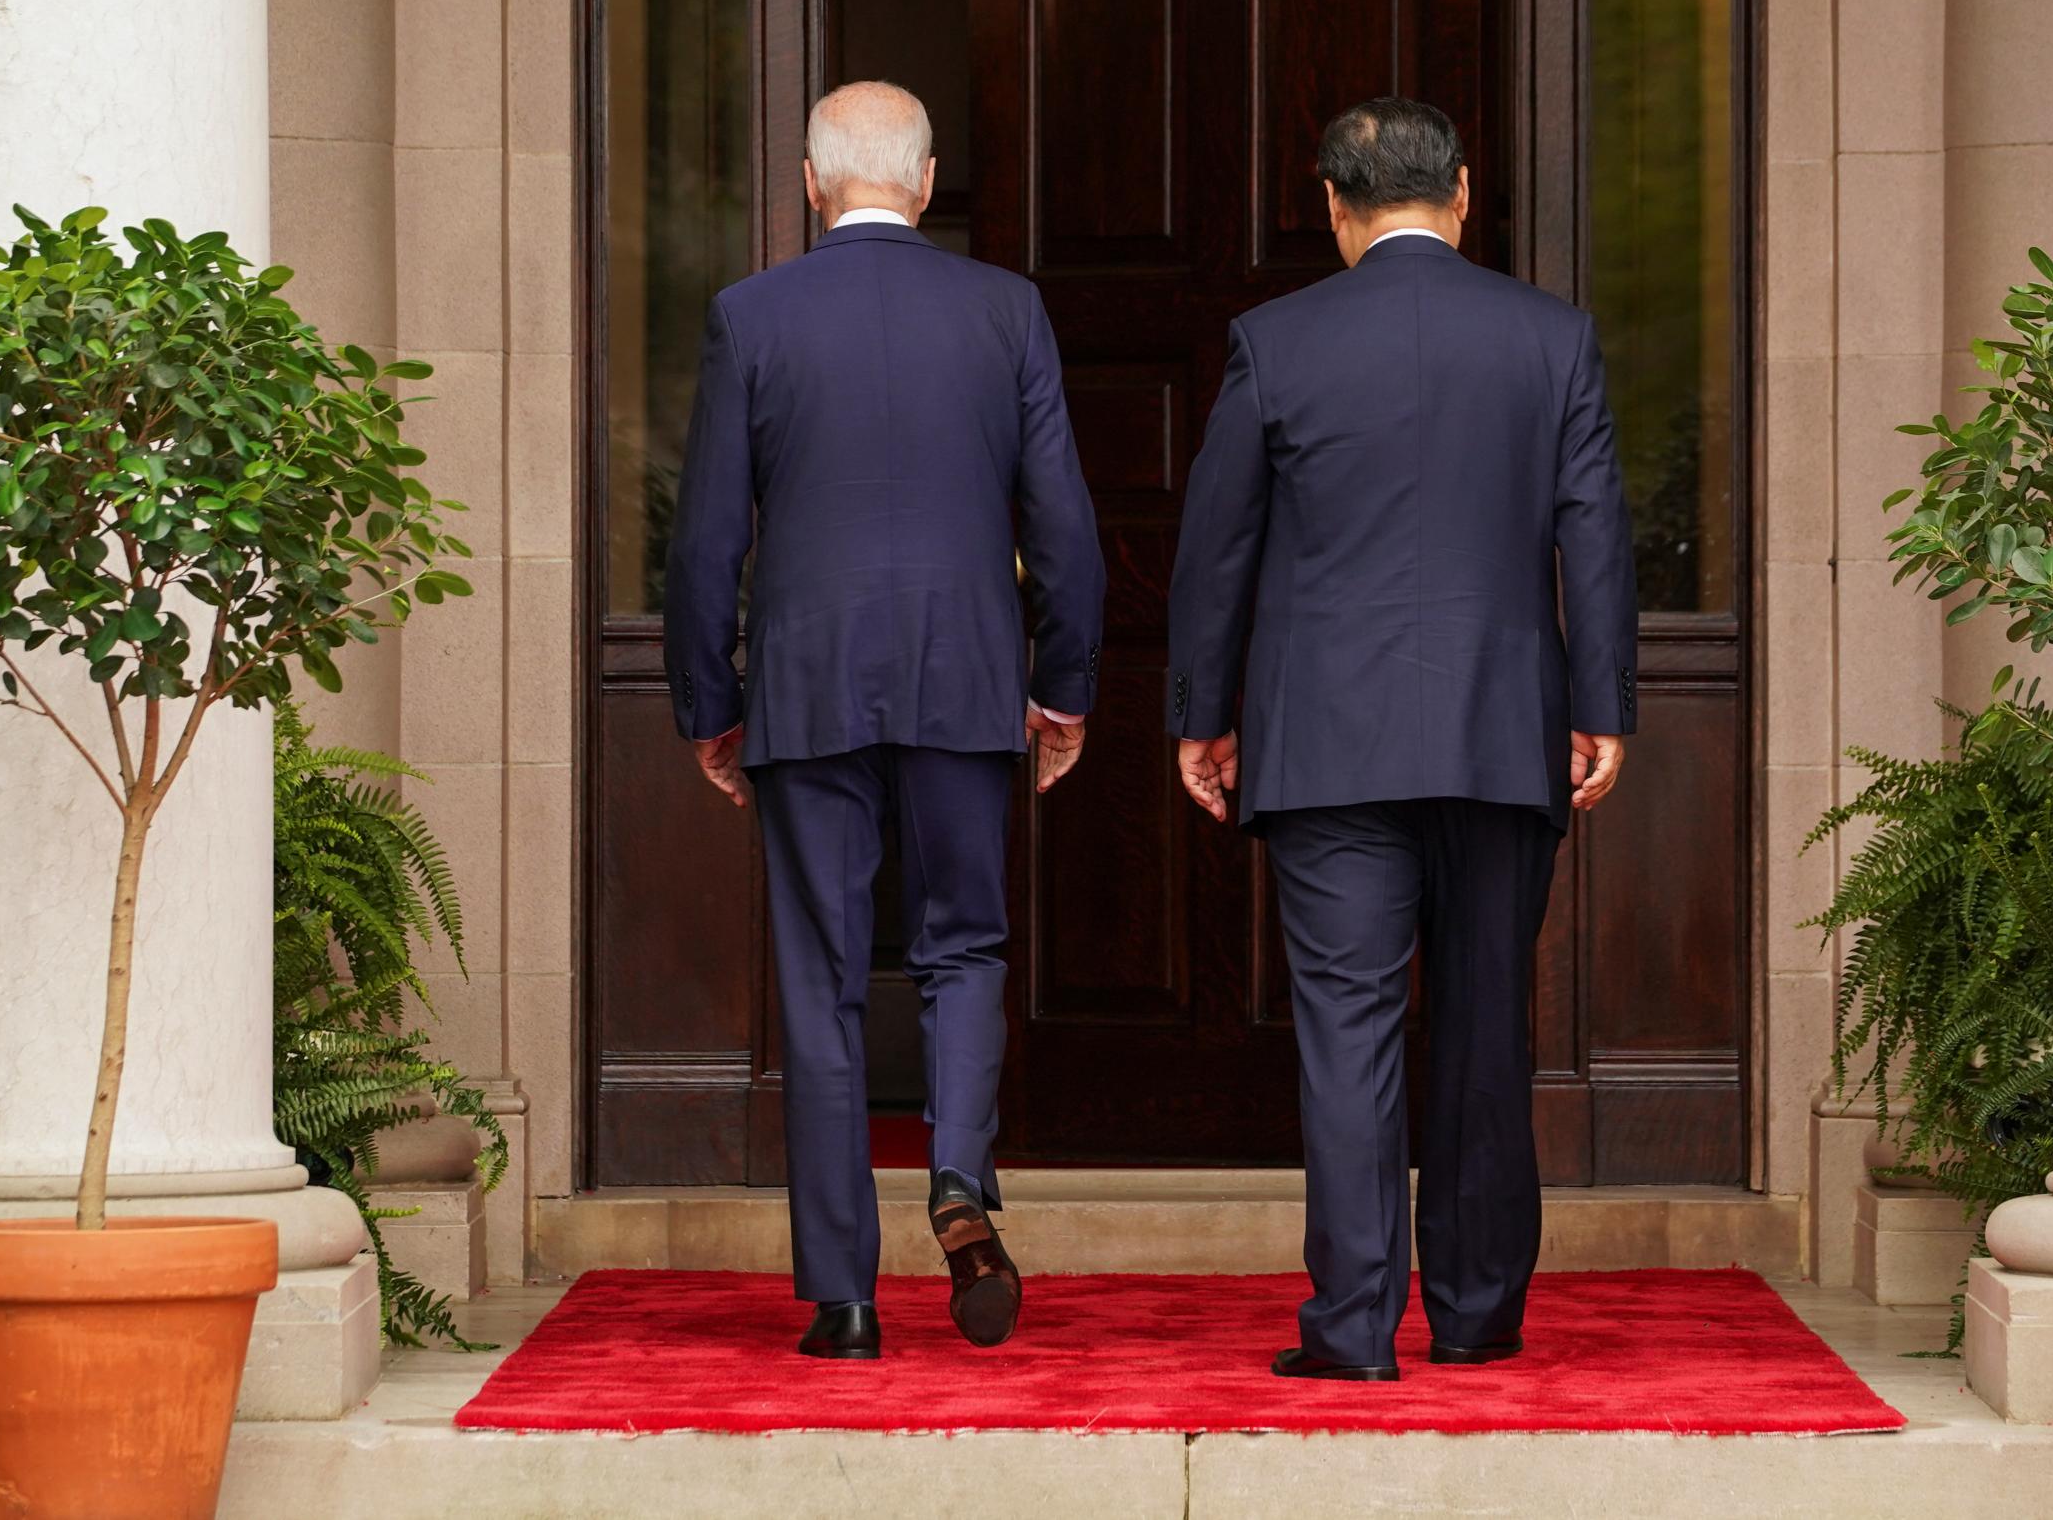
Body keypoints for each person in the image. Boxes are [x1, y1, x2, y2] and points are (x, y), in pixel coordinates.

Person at [1165, 97, 1637, 1380]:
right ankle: (1478, 1312)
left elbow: (1216, 552)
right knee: (1487, 1023)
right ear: (1465, 192)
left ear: (1332, 206)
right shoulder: (1552, 338)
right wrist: (1600, 705)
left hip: (1327, 747)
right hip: (1501, 734)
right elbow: (1591, 537)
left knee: (1348, 1030)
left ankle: (1353, 1324)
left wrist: (1201, 719)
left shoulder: (1274, 340)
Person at [663, 80, 1106, 1358]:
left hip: (803, 688)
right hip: (967, 679)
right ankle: (960, 1181)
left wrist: (710, 699)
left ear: (811, 184)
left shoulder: (750, 315)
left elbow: (705, 542)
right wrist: (1063, 682)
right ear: (921, 183)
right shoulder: (1003, 309)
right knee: (965, 945)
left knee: (822, 977)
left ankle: (844, 1300)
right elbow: (1064, 528)